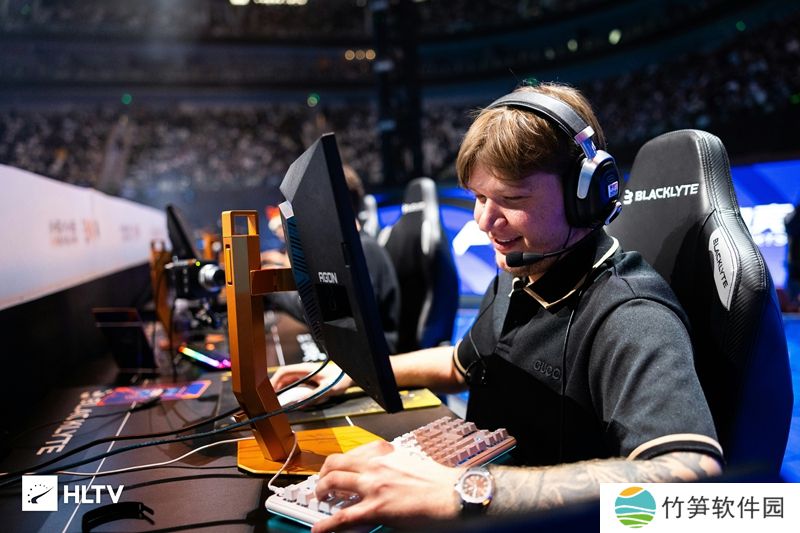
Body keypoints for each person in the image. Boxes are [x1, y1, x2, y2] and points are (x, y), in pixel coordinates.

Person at [271, 82, 722, 532]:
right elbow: (458, 363)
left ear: (584, 198)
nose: (484, 221)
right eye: (479, 197)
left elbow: (691, 481)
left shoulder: (631, 315)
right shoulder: (519, 275)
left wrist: (467, 491)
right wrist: (349, 374)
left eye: (511, 199)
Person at [263, 164, 401, 353]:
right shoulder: (349, 249)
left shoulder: (363, 251)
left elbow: (327, 312)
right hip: (354, 355)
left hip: (376, 358)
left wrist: (273, 287)